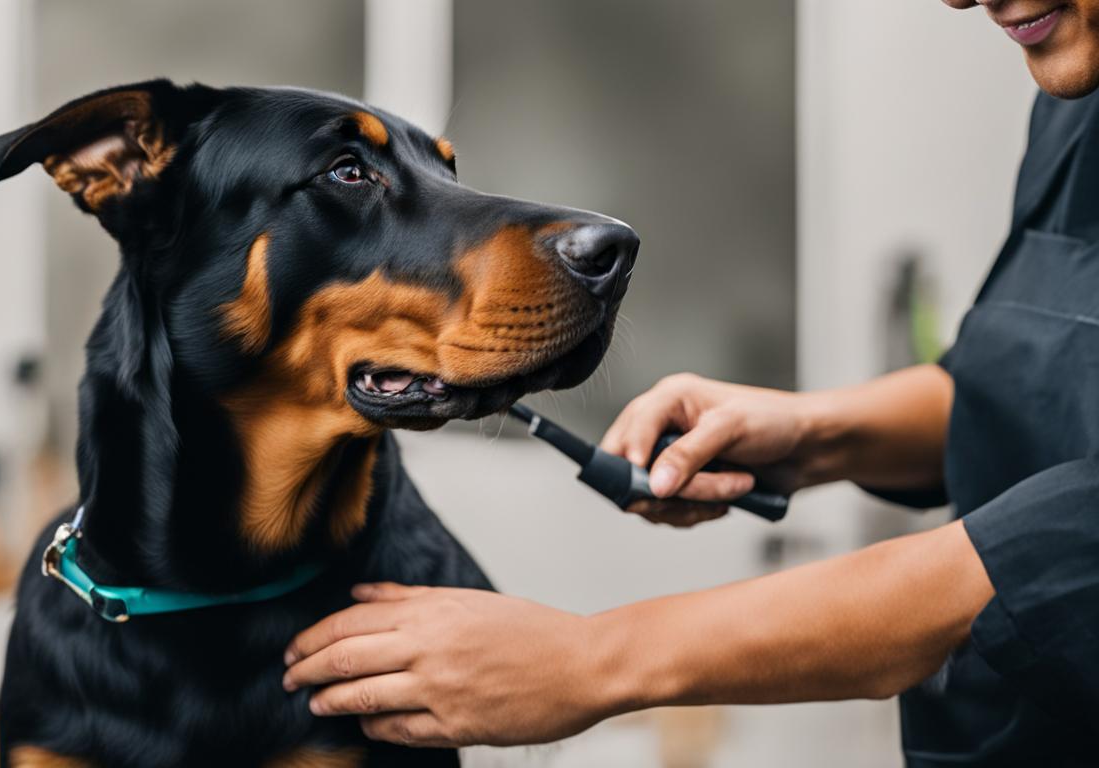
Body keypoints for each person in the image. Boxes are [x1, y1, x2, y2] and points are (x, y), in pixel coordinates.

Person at [282, 1, 1099, 763]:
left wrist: (592, 659)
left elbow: (1059, 552)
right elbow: (1029, 382)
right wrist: (815, 433)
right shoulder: (1075, 99)